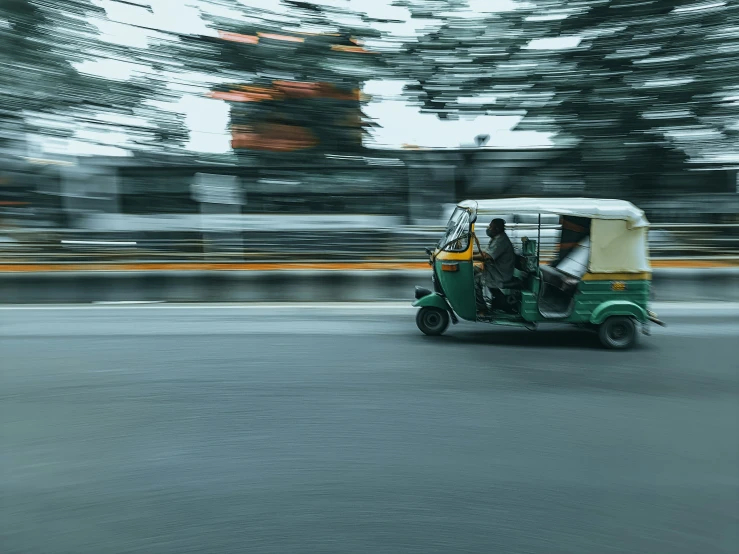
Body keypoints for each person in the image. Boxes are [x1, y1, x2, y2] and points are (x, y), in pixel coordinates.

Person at [475, 218, 516, 312]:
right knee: (472, 270)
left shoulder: (501, 241)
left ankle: (482, 309)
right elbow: (484, 253)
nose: (488, 229)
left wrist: (469, 257)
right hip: (494, 271)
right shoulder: (497, 238)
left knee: (475, 281)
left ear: (496, 229)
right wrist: (468, 253)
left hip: (500, 275)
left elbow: (487, 256)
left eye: (490, 227)